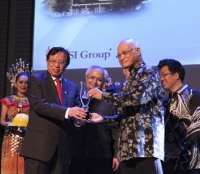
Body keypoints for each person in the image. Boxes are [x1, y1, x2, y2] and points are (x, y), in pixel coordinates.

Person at [88, 38, 165, 174]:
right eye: (119, 55)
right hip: (126, 150)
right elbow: (126, 115)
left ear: (138, 51)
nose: (121, 58)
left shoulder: (150, 72)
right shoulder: (129, 81)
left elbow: (137, 98)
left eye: (125, 53)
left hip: (146, 148)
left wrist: (102, 95)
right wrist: (103, 119)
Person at [20, 47, 86, 174]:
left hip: (63, 150)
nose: (56, 65)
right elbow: (39, 105)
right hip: (39, 148)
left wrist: (81, 119)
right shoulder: (36, 80)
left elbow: (76, 111)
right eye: (53, 61)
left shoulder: (73, 87)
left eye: (61, 62)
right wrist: (68, 112)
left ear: (66, 64)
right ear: (47, 61)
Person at [69, 65, 120, 174]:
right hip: (77, 154)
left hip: (101, 155)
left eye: (99, 79)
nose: (94, 82)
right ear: (86, 78)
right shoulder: (76, 100)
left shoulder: (109, 102)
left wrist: (116, 155)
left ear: (104, 82)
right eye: (91, 77)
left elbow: (116, 130)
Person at [157, 59, 200, 174]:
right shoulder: (164, 102)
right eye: (160, 75)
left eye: (164, 75)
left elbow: (198, 126)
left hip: (192, 162)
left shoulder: (193, 95)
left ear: (176, 75)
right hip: (168, 164)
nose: (161, 79)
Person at [0, 71, 30, 174]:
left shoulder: (32, 101)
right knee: (11, 164)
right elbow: (2, 121)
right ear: (15, 83)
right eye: (21, 82)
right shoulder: (8, 100)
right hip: (11, 137)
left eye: (26, 82)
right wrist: (10, 124)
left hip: (28, 137)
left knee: (25, 165)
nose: (24, 85)